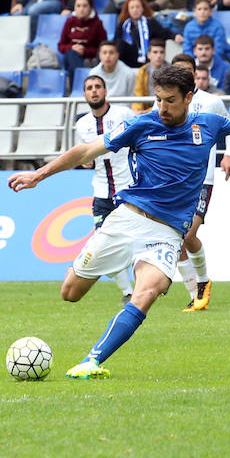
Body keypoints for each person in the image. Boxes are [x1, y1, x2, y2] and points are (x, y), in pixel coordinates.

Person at [7, 64, 230, 379]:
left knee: (147, 292)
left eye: (170, 100)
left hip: (166, 234)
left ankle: (92, 361)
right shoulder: (140, 125)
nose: (162, 108)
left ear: (188, 98)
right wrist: (39, 174)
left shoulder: (207, 125)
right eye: (158, 100)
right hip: (125, 220)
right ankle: (112, 269)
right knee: (70, 292)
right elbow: (87, 149)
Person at [169, 54, 230, 312]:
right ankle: (196, 292)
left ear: (195, 73)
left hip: (201, 179)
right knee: (176, 238)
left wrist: (228, 154)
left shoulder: (211, 102)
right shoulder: (167, 103)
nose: (183, 76)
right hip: (174, 179)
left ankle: (203, 282)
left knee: (188, 234)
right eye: (178, 71)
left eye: (187, 71)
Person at [74, 74, 136, 303]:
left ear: (105, 90)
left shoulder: (124, 114)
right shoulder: (82, 124)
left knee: (134, 241)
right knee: (104, 243)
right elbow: (84, 156)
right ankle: (127, 292)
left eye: (98, 86)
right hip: (101, 192)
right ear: (84, 95)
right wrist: (86, 162)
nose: (94, 91)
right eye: (89, 88)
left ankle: (144, 286)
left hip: (127, 189)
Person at [114, 0, 176, 68]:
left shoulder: (150, 22)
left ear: (142, 9)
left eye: (137, 7)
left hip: (147, 57)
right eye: (132, 7)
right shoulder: (123, 25)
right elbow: (115, 42)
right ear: (128, 10)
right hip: (128, 57)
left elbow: (164, 33)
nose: (135, 10)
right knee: (118, 44)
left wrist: (175, 36)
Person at [59, 0, 107, 77]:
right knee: (71, 54)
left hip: (90, 58)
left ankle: (78, 85)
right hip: (71, 56)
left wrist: (85, 51)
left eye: (85, 6)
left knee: (72, 68)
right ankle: (82, 80)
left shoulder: (97, 24)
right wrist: (72, 47)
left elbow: (103, 48)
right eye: (78, 6)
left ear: (91, 8)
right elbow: (61, 46)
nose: (81, 9)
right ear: (74, 8)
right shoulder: (69, 22)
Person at [182, 0, 230, 64]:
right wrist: (194, 62)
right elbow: (187, 49)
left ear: (210, 12)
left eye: (205, 9)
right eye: (199, 9)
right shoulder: (189, 27)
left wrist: (207, 63)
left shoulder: (218, 26)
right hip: (196, 61)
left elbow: (219, 50)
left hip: (217, 60)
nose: (202, 12)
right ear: (194, 12)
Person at [131, 37, 165, 112]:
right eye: (155, 52)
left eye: (161, 52)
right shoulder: (142, 71)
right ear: (149, 55)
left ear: (165, 54)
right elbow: (138, 93)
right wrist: (138, 110)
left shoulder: (170, 71)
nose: (159, 56)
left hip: (163, 109)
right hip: (145, 109)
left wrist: (149, 111)